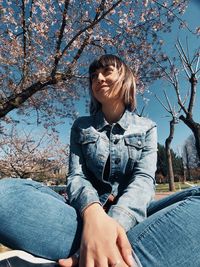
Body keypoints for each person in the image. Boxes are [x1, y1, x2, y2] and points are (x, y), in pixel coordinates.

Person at [0, 54, 200, 267]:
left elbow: (143, 179)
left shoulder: (147, 127)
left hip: (137, 213)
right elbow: (77, 176)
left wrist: (113, 225)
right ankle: (118, 255)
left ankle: (88, 255)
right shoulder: (81, 126)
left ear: (125, 78)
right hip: (81, 215)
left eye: (107, 72)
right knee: (5, 193)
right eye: (94, 76)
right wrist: (93, 214)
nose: (99, 79)